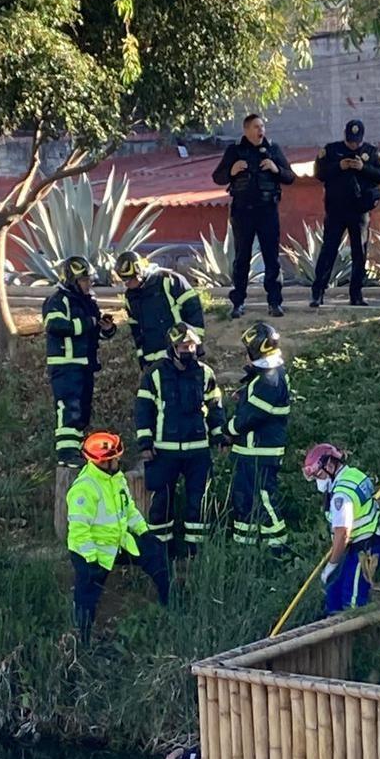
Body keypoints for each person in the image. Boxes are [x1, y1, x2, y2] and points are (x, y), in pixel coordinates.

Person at [66, 431, 170, 642]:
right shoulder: (85, 488)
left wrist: (144, 532)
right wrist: (90, 559)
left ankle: (170, 604)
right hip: (91, 552)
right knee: (87, 596)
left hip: (119, 543)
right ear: (102, 461)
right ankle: (82, 641)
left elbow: (129, 510)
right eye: (114, 458)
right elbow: (79, 530)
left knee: (157, 554)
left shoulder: (116, 479)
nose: (118, 460)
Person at [134, 323, 226, 557]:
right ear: (172, 347)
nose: (189, 350)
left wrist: (219, 437)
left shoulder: (205, 372)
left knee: (199, 500)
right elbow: (143, 409)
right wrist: (145, 442)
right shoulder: (155, 373)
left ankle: (195, 553)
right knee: (161, 501)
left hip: (198, 450)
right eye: (183, 346)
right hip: (164, 451)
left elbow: (215, 407)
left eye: (192, 345)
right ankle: (160, 553)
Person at [211, 114, 297, 319]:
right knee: (242, 258)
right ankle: (238, 302)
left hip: (267, 210)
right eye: (257, 127)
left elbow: (290, 177)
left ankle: (275, 303)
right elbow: (217, 177)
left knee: (271, 258)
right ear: (247, 130)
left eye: (263, 126)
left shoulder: (273, 149)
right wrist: (231, 171)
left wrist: (276, 169)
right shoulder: (235, 150)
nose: (261, 131)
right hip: (243, 212)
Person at [43, 256, 116, 465]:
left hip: (85, 364)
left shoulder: (89, 302)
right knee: (68, 408)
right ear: (72, 281)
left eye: (89, 280)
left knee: (83, 410)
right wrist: (89, 322)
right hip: (65, 364)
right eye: (84, 280)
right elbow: (56, 326)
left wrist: (106, 328)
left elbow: (93, 333)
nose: (89, 284)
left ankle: (77, 451)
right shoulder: (58, 300)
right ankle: (66, 455)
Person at [226, 321, 291, 552]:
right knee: (245, 501)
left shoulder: (268, 379)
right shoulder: (268, 375)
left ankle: (279, 550)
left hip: (259, 453)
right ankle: (245, 549)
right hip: (251, 452)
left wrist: (228, 430)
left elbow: (250, 417)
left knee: (264, 499)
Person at [311, 119, 380, 307]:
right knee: (328, 251)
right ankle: (318, 293)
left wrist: (363, 168)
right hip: (336, 210)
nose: (353, 144)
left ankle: (356, 295)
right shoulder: (331, 150)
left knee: (359, 253)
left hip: (360, 211)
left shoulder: (371, 152)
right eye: (351, 141)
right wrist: (339, 166)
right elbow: (319, 173)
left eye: (356, 141)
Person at [302, 443, 380, 613]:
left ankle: (356, 638)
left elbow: (342, 534)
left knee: (352, 603)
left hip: (365, 547)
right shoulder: (354, 474)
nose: (318, 481)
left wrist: (331, 565)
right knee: (333, 593)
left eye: (319, 476)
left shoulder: (341, 495)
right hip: (360, 543)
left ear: (330, 466)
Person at [115, 251, 205, 368]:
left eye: (130, 280)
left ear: (140, 273)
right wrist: (141, 357)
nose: (127, 284)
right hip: (153, 361)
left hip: (179, 355)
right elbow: (136, 329)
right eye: (124, 281)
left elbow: (194, 311)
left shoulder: (170, 281)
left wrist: (197, 344)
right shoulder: (130, 297)